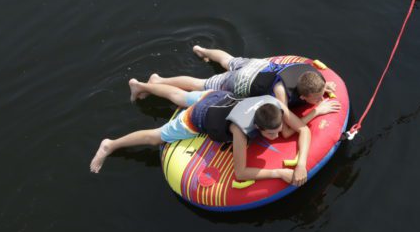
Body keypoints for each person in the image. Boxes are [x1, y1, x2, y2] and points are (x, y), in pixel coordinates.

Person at [90, 87, 312, 186]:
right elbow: (241, 173)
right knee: (156, 136)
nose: (277, 135)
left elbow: (303, 129)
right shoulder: (240, 130)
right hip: (198, 116)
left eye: (277, 130)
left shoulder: (274, 106)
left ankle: (142, 85)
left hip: (219, 97)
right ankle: (110, 145)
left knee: (181, 96)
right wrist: (279, 172)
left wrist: (301, 164)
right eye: (271, 133)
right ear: (258, 127)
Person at [132, 45, 341, 133]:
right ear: (303, 96)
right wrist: (316, 111)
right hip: (242, 81)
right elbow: (288, 126)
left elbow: (317, 84)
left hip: (258, 66)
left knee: (229, 60)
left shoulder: (311, 75)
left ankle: (201, 50)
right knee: (200, 84)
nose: (320, 99)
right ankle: (156, 81)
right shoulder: (281, 93)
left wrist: (323, 89)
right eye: (316, 98)